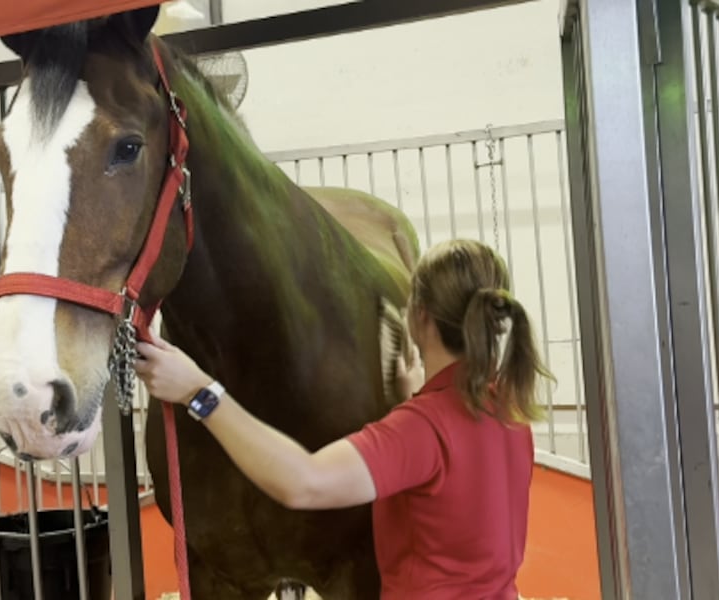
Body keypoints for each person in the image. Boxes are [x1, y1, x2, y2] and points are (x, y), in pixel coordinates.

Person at [133, 238, 554, 600]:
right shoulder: (508, 408)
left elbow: (303, 482)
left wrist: (199, 392)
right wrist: (414, 399)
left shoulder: (422, 429)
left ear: (419, 316)